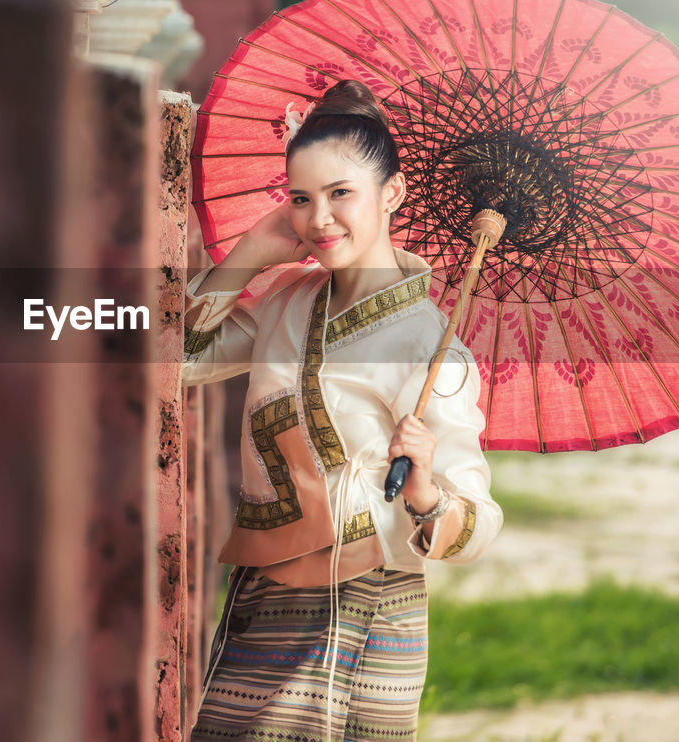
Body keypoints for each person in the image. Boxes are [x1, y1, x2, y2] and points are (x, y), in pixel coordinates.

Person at [183, 79, 503, 742]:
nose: (319, 220)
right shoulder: (285, 301)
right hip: (262, 596)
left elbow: (481, 522)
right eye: (301, 199)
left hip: (359, 605)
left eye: (340, 195)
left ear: (393, 194)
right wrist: (251, 255)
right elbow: (170, 355)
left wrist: (425, 492)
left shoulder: (427, 346)